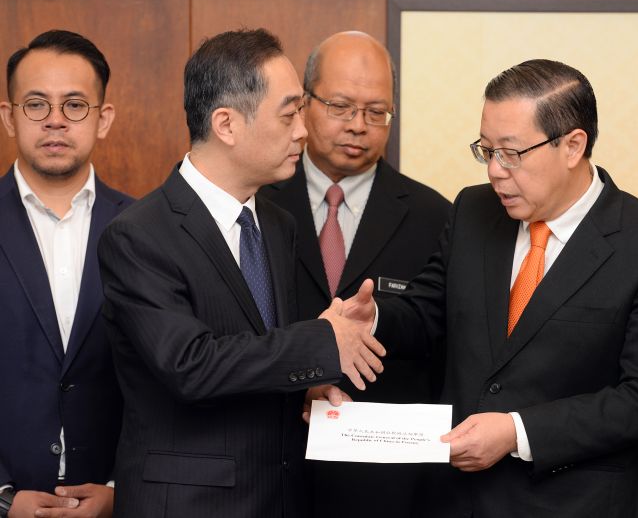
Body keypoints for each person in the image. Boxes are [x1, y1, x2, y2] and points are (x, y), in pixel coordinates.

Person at [343, 58, 638, 517]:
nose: (494, 171)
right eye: (485, 149)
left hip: (573, 503)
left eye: (511, 153)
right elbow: (428, 312)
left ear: (573, 145)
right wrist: (372, 319)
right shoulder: (473, 211)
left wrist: (517, 432)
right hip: (454, 499)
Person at [96, 28, 385, 518]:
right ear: (226, 124)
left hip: (280, 495)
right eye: (290, 113)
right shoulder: (138, 236)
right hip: (190, 503)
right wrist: (322, 340)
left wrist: (310, 382)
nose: (303, 131)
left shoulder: (277, 223)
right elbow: (191, 366)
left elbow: (263, 352)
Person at [259, 30, 451, 518]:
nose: (358, 126)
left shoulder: (437, 216)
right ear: (304, 104)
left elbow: (446, 345)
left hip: (388, 481)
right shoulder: (255, 203)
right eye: (341, 107)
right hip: (269, 464)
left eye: (376, 112)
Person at [0, 30, 130, 518]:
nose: (55, 120)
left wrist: (122, 488)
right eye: (36, 105)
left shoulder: (149, 230)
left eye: (75, 105)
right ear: (10, 118)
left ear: (104, 119)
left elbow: (164, 380)